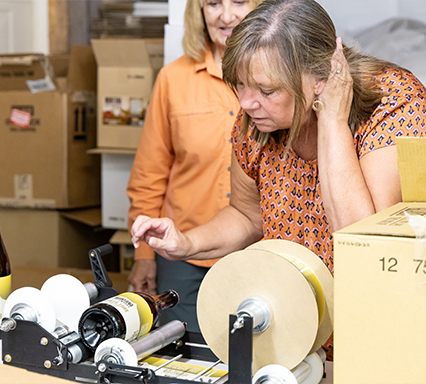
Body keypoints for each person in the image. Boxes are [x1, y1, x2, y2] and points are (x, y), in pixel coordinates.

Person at [131, 0, 426, 359]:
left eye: (267, 91)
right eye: (239, 85)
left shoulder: (392, 101)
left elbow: (362, 241)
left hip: (372, 324)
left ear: (324, 77)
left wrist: (332, 121)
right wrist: (187, 242)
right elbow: (245, 215)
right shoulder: (255, 122)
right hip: (295, 324)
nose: (247, 103)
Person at [126, 0, 261, 333]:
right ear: (198, 11)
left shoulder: (276, 78)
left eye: (239, 2)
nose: (226, 15)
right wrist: (144, 255)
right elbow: (149, 173)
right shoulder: (173, 79)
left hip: (258, 253)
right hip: (183, 257)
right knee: (180, 358)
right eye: (213, 3)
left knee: (251, 358)